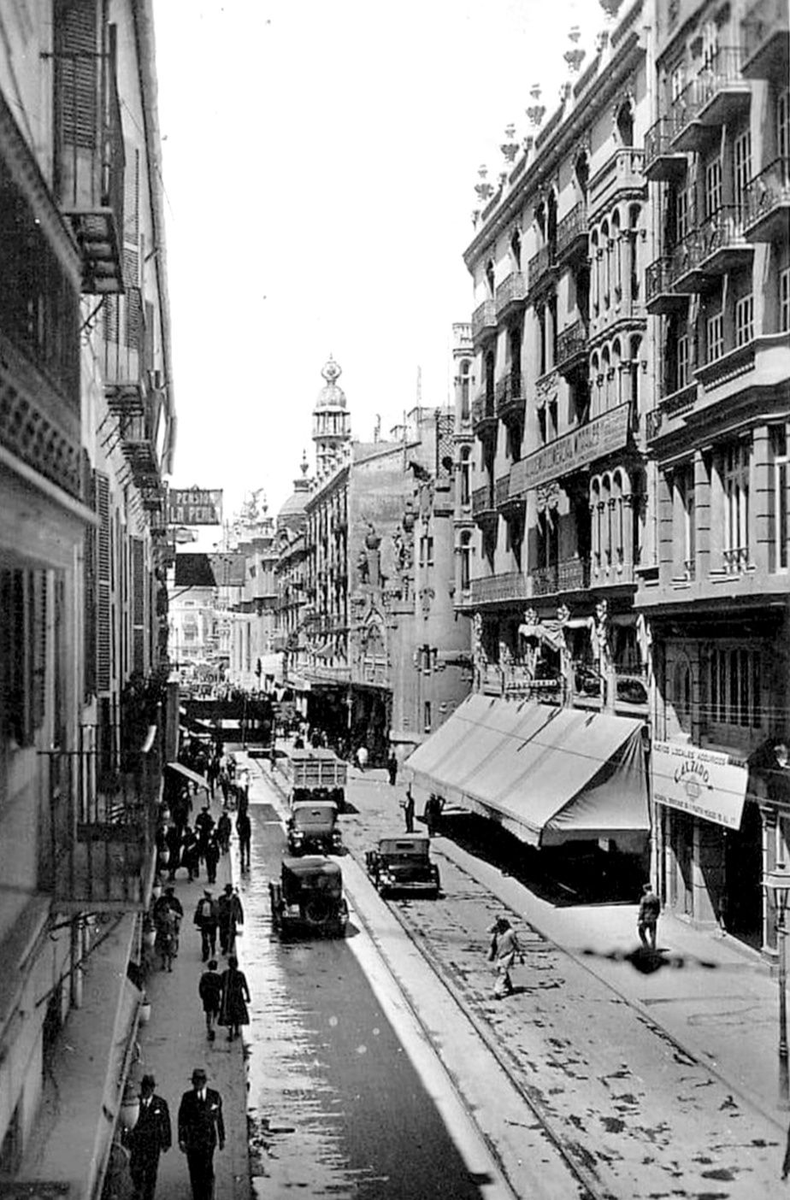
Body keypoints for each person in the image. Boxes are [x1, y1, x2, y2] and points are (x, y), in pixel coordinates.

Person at [178, 1068, 225, 1200]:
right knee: (194, 1171)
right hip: (192, 1140)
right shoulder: (187, 1098)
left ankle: (209, 1195)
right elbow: (182, 1119)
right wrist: (181, 1139)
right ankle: (197, 1196)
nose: (198, 1084)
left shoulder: (214, 1096)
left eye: (201, 1081)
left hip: (208, 1140)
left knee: (207, 1168)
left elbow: (219, 1118)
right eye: (196, 1082)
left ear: (205, 1082)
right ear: (193, 1083)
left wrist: (222, 1138)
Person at [126, 1073, 171, 1200]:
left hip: (153, 1144)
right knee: (135, 1170)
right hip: (137, 1143)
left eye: (150, 1087)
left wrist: (167, 1141)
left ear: (153, 1088)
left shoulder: (160, 1103)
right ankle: (137, 1191)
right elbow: (127, 1121)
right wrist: (127, 1140)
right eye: (145, 1087)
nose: (147, 1089)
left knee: (151, 1174)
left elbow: (166, 1123)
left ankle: (148, 1197)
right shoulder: (135, 1102)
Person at [487, 916, 523, 998]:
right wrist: (495, 924)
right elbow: (488, 930)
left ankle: (497, 991)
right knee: (502, 971)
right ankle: (509, 987)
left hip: (508, 955)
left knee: (502, 973)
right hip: (500, 955)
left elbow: (516, 943)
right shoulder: (498, 931)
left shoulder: (510, 933)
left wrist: (520, 954)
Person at [219, 954, 251, 1041]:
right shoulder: (240, 974)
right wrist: (248, 996)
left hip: (228, 997)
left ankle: (230, 1033)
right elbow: (245, 986)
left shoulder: (225, 974)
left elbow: (220, 985)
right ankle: (236, 1031)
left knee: (229, 1015)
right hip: (238, 997)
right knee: (236, 1014)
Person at [198, 959, 223, 1042]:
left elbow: (200, 987)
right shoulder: (219, 977)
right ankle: (213, 1027)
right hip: (215, 997)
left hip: (207, 998)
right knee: (216, 1013)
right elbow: (221, 987)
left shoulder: (204, 976)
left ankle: (209, 1030)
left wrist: (202, 996)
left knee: (208, 1014)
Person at [217, 883, 244, 956]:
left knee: (232, 933)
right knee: (222, 934)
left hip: (232, 919)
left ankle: (230, 947)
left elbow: (240, 909)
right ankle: (224, 947)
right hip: (223, 919)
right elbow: (218, 909)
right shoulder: (221, 898)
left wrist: (240, 919)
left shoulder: (235, 899)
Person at [194, 889, 218, 962]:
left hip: (211, 923)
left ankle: (213, 950)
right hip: (205, 923)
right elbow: (198, 911)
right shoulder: (202, 902)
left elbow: (217, 913)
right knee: (205, 939)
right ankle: (206, 954)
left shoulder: (214, 902)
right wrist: (197, 921)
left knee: (212, 939)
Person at [638, 882, 661, 950]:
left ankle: (646, 945)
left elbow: (642, 909)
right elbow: (658, 909)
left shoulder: (644, 899)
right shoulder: (656, 898)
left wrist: (640, 919)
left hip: (645, 918)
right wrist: (656, 916)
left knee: (641, 931)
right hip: (653, 918)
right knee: (653, 933)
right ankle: (653, 947)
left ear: (645, 889)